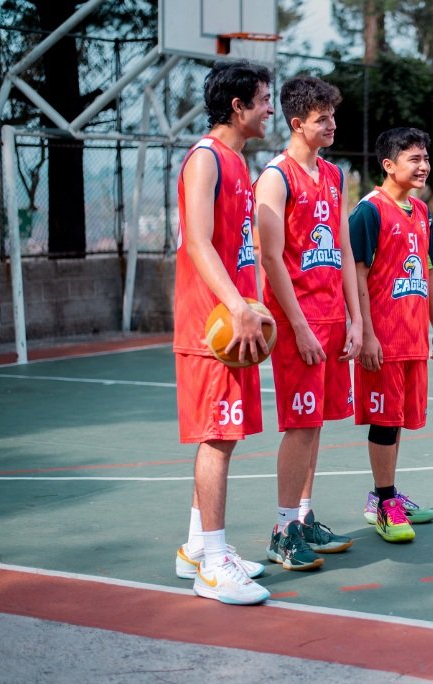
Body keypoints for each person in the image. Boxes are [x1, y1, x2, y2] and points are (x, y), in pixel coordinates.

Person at [172, 60, 275, 605]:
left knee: (225, 435)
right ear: (238, 106)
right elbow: (197, 243)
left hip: (233, 321)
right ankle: (212, 565)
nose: (270, 107)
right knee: (217, 437)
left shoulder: (237, 161)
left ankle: (196, 546)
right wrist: (236, 305)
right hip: (210, 325)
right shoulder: (206, 159)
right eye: (263, 98)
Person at [255, 75, 362, 572]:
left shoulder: (334, 175)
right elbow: (270, 257)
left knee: (316, 423)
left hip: (333, 315)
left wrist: (356, 318)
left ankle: (302, 515)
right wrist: (296, 325)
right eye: (323, 119)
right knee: (299, 425)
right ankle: (281, 529)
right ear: (297, 123)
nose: (332, 125)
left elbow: (341, 247)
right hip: (298, 318)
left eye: (333, 116)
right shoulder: (276, 177)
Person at [349, 127, 433, 543]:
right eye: (414, 159)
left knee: (399, 420)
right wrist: (366, 334)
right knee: (384, 421)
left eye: (425, 158)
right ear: (389, 165)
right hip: (383, 338)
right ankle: (385, 501)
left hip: (413, 338)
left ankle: (383, 495)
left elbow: (428, 273)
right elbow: (355, 275)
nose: (423, 166)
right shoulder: (369, 211)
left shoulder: (421, 212)